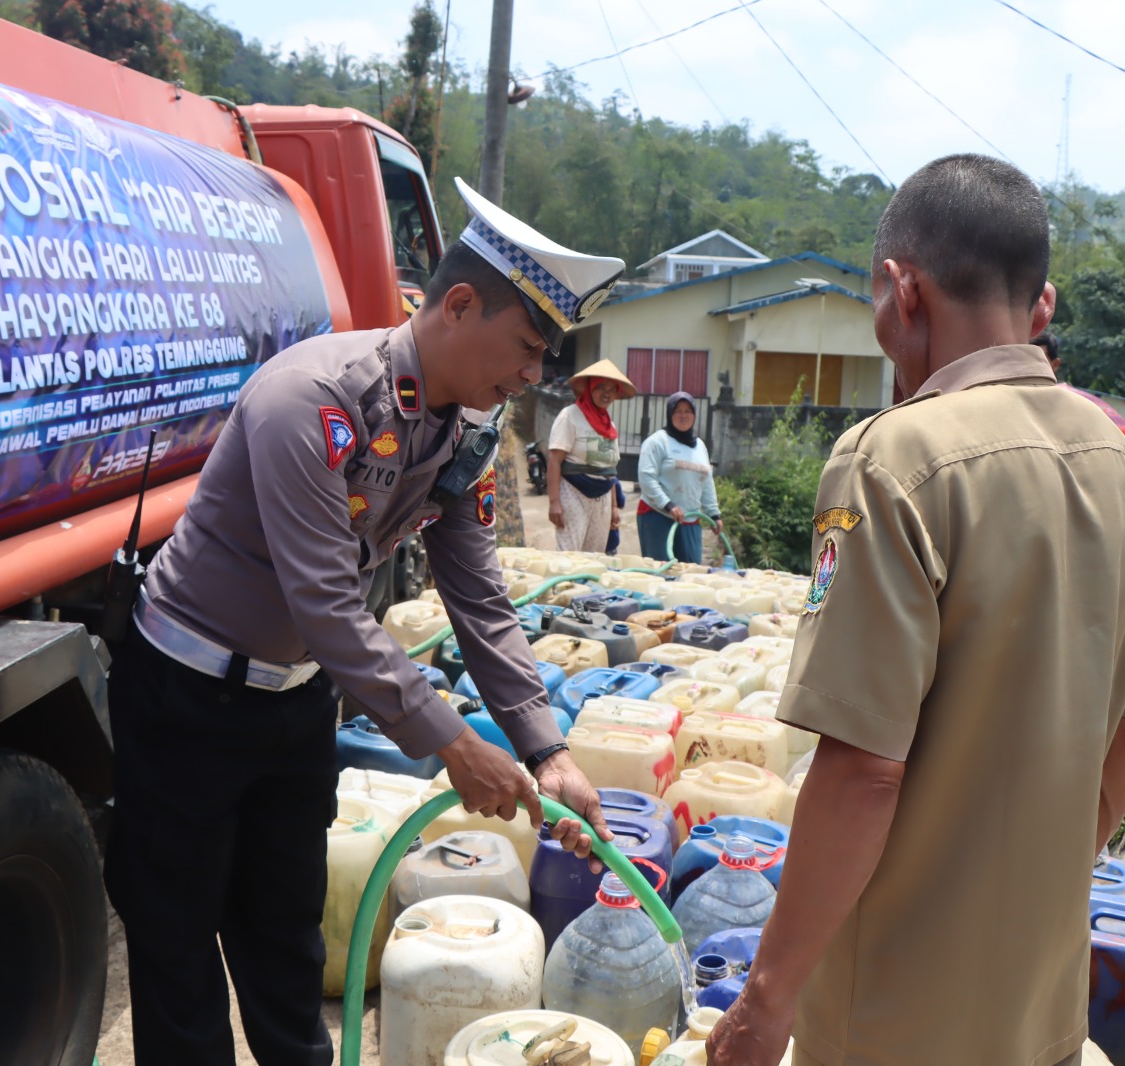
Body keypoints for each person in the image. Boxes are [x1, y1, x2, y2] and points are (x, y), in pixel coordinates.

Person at [105, 175, 623, 1066]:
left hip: (299, 705)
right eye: (528, 345)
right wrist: (454, 743)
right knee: (179, 955)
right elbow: (328, 604)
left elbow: (480, 600)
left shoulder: (464, 434)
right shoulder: (311, 402)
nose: (535, 374)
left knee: (286, 946)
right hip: (186, 699)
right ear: (460, 304)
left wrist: (549, 750)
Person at [706, 154, 1125, 1066]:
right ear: (1043, 304)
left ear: (900, 289)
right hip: (1041, 1005)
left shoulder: (891, 460)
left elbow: (864, 772)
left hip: (893, 1014)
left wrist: (767, 1000)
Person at [547, 359, 634, 552]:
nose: (607, 393)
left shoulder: (610, 425)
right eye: (601, 387)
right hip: (573, 492)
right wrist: (554, 503)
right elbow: (555, 460)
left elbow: (609, 470)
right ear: (589, 388)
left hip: (603, 497)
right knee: (569, 554)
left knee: (594, 557)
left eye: (612, 389)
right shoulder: (569, 416)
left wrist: (613, 508)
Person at [636, 391, 722, 563]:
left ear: (695, 415)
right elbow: (646, 478)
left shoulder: (700, 447)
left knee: (689, 574)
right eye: (678, 411)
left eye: (688, 411)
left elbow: (706, 482)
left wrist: (714, 514)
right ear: (669, 414)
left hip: (690, 519)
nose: (683, 415)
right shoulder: (657, 442)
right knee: (661, 574)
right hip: (658, 516)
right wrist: (668, 505)